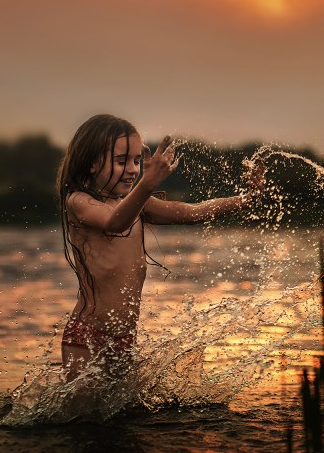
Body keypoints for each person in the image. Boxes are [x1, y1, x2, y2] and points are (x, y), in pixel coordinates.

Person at [55, 114, 263, 381]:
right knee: (81, 418)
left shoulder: (137, 203)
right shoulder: (79, 201)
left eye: (137, 162)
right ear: (93, 163)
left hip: (125, 339)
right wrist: (148, 183)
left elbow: (192, 212)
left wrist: (245, 200)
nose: (132, 169)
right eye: (122, 161)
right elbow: (113, 222)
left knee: (121, 418)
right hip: (86, 336)